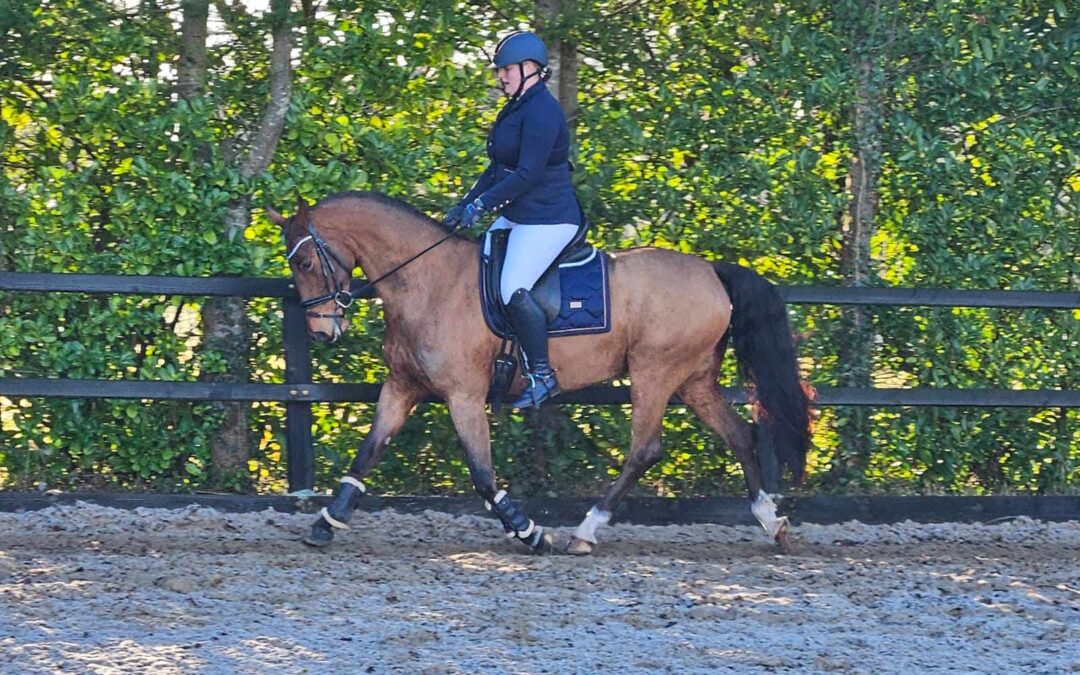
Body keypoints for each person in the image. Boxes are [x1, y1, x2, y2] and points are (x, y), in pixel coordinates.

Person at [443, 31, 583, 409]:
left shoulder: (542, 111)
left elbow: (527, 174)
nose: (499, 77)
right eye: (500, 71)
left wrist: (483, 206)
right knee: (475, 265)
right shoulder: (517, 105)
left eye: (505, 70)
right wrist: (466, 203)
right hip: (518, 213)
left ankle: (541, 374)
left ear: (528, 69)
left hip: (548, 218)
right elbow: (498, 167)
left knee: (511, 287)